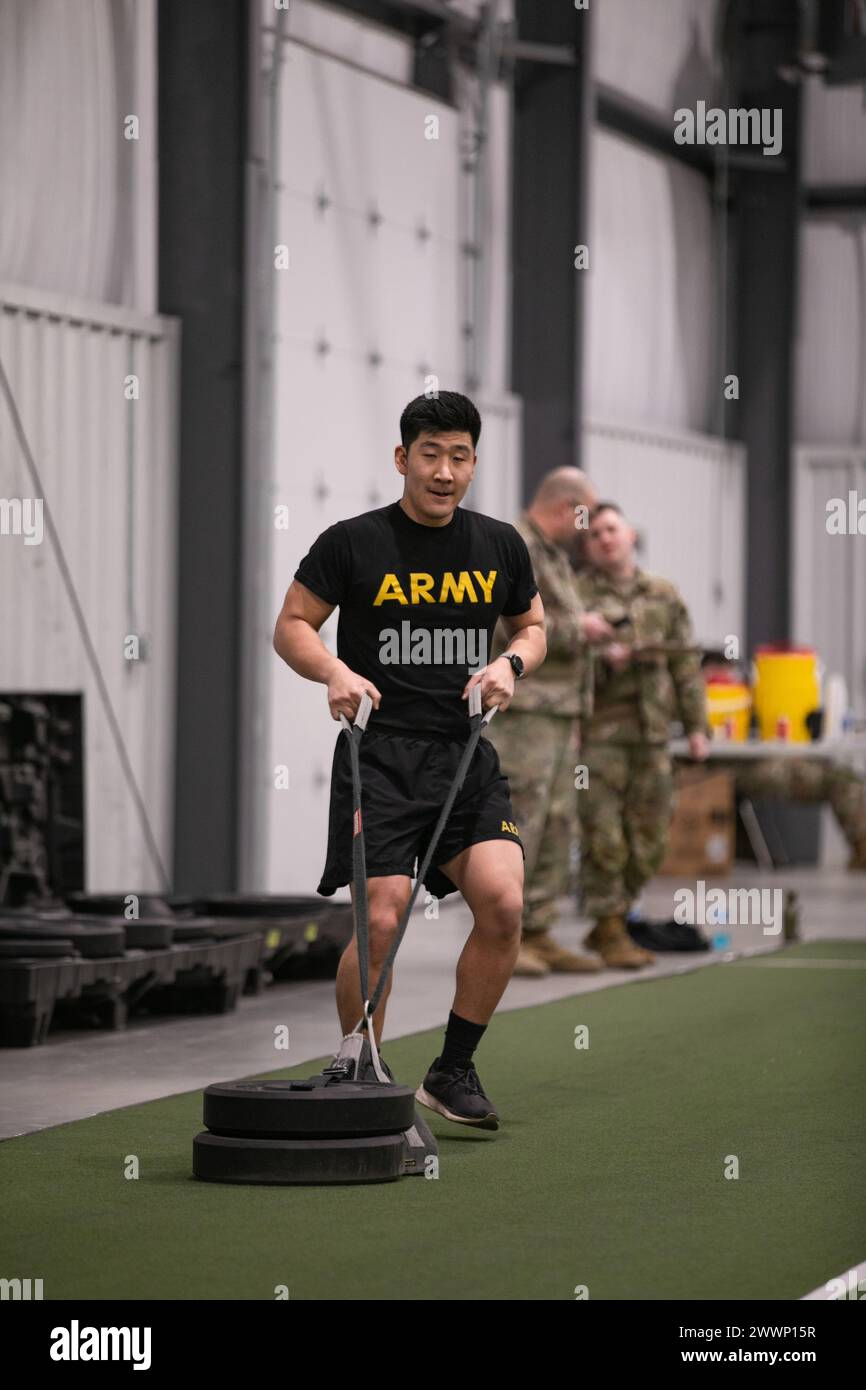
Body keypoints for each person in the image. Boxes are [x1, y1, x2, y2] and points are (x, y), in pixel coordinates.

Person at [272, 391, 546, 1131]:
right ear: (403, 459)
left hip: (464, 758)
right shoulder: (352, 542)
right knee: (384, 920)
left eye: (459, 456)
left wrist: (510, 666)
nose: (445, 471)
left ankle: (452, 1070)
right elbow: (292, 623)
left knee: (506, 903)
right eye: (430, 454)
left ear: (474, 463)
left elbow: (532, 623)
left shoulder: (498, 546)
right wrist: (332, 671)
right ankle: (361, 1064)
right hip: (382, 759)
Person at [485, 468, 617, 976]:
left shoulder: (554, 556)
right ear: (567, 508)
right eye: (585, 517)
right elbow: (505, 623)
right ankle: (506, 935)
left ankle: (538, 929)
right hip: (527, 714)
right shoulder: (515, 547)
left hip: (559, 712)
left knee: (557, 823)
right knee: (523, 821)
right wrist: (577, 627)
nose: (588, 530)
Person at [575, 503, 709, 968]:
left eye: (611, 529)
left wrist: (696, 728)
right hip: (599, 736)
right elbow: (559, 660)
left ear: (631, 534)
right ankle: (610, 927)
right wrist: (599, 657)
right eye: (594, 534)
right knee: (604, 836)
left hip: (652, 735)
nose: (604, 539)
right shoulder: (577, 596)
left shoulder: (663, 595)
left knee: (650, 837)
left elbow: (686, 666)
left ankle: (613, 918)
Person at [699, 653, 866, 870]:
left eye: (727, 670)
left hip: (767, 761)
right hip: (734, 770)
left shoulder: (749, 696)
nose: (724, 677)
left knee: (845, 778)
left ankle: (862, 848)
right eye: (716, 671)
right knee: (839, 782)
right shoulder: (701, 700)